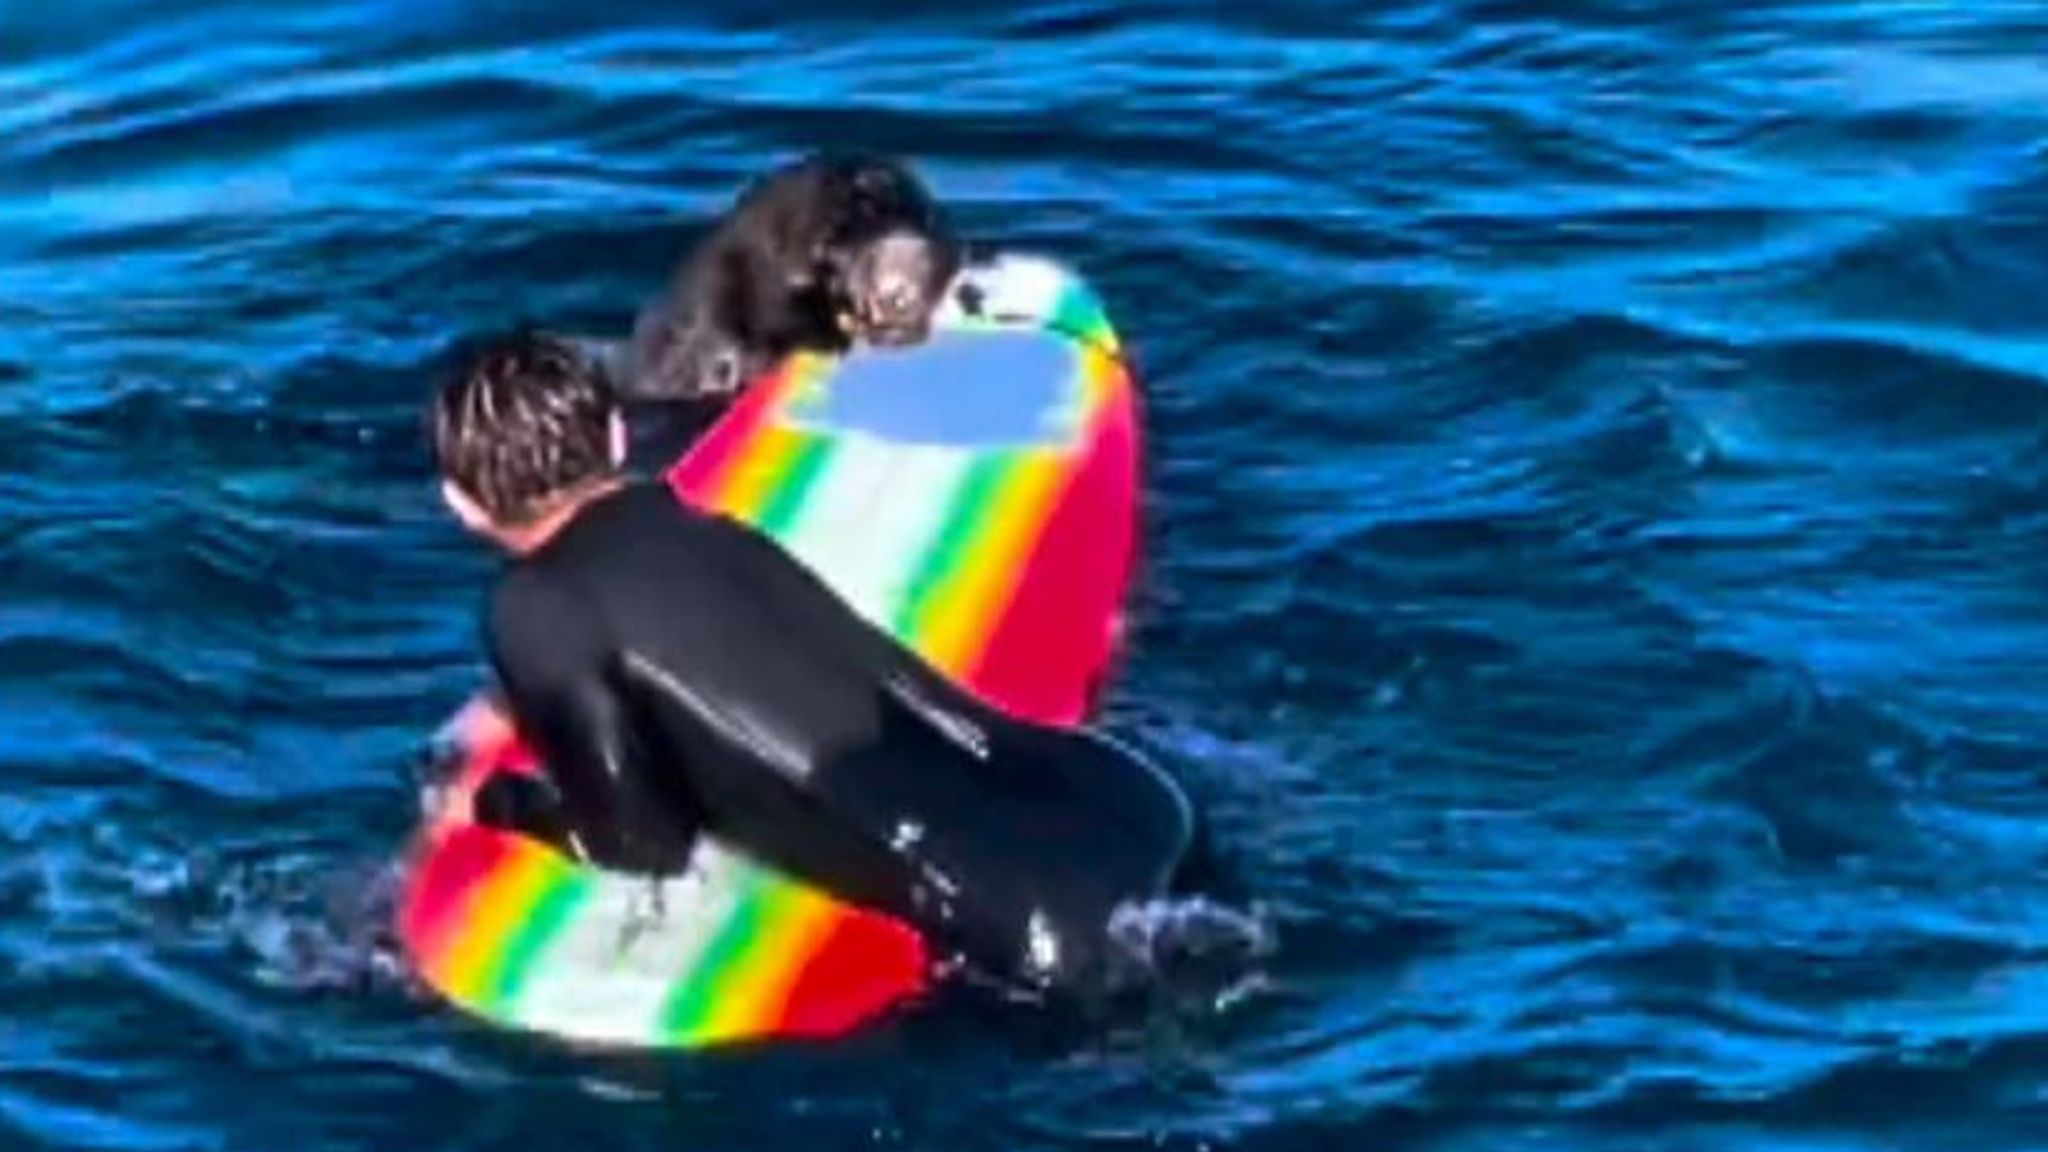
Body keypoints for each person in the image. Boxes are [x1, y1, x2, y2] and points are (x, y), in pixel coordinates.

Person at [430, 327, 1195, 998]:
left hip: (1027, 924)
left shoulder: (530, 609)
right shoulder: (710, 531)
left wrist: (498, 802)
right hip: (1120, 795)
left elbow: (639, 844)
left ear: (460, 504)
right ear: (620, 438)